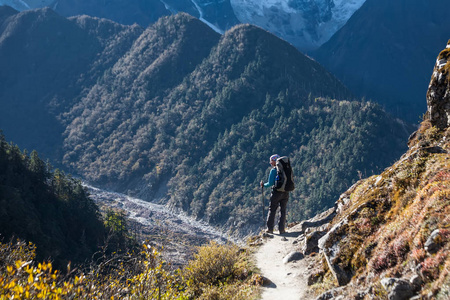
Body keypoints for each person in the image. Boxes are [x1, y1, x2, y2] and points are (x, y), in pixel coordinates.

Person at [260, 154, 289, 234]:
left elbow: (270, 183)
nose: (270, 162)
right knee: (283, 210)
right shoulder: (285, 169)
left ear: (274, 161)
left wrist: (263, 185)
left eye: (271, 160)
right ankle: (282, 229)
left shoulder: (274, 170)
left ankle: (270, 229)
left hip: (276, 193)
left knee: (272, 210)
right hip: (286, 192)